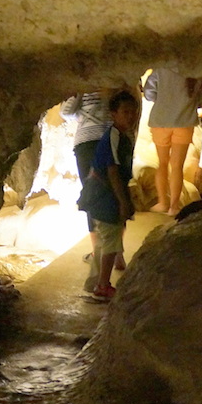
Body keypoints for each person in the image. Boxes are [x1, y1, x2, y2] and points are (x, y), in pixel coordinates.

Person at [78, 90, 139, 301]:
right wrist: (123, 202)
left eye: (133, 112)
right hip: (105, 197)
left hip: (105, 196)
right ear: (113, 114)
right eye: (125, 112)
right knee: (112, 241)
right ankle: (103, 287)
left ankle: (94, 283)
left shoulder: (124, 137)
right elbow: (112, 170)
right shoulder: (114, 136)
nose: (130, 116)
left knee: (104, 241)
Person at [62, 89, 125, 271]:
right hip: (114, 139)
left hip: (88, 143)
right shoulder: (118, 79)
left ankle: (99, 253)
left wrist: (77, 91)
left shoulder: (83, 84)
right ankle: (117, 253)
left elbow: (66, 112)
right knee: (116, 193)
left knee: (93, 196)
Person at [143, 67, 202, 216]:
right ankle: (174, 206)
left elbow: (149, 94)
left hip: (160, 121)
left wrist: (164, 100)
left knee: (162, 163)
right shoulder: (197, 71)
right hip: (184, 122)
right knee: (177, 166)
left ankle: (163, 203)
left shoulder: (161, 69)